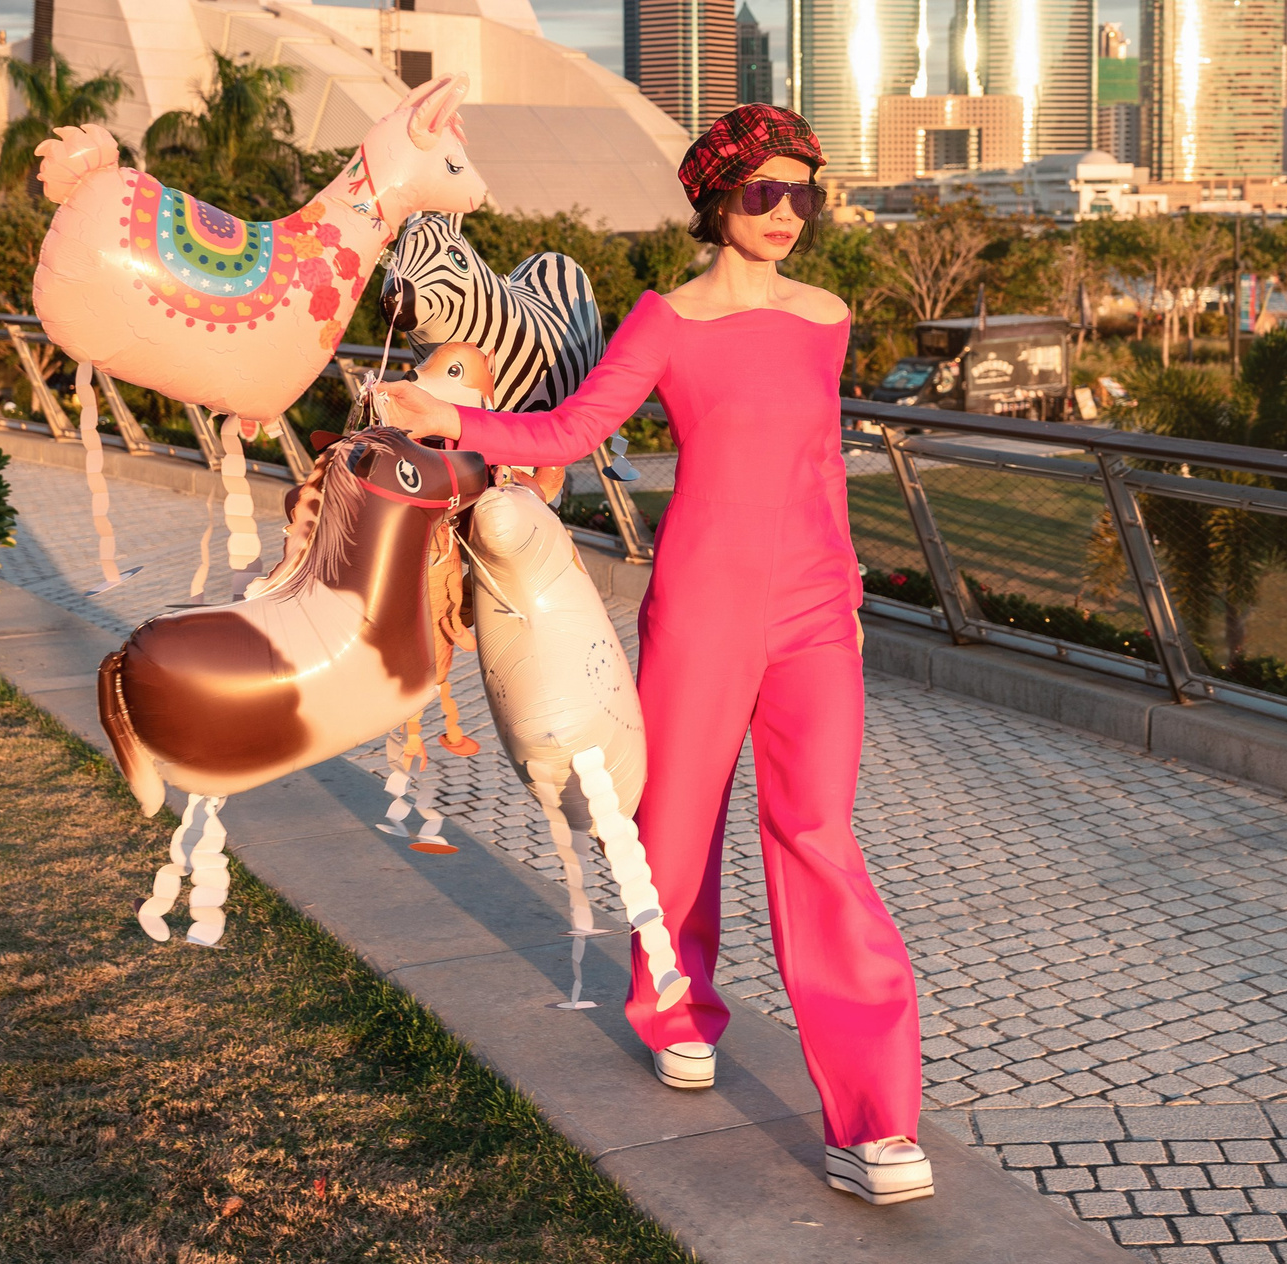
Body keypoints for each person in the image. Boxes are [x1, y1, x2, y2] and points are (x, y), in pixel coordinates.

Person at [380, 104, 931, 1208]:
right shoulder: (663, 321)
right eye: (762, 191)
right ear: (715, 196)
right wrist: (446, 418)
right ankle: (675, 1013)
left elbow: (820, 467)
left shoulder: (826, 316)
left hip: (818, 613)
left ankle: (874, 1120)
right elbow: (568, 433)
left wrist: (854, 594)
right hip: (701, 611)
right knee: (674, 826)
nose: (785, 212)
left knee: (818, 837)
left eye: (802, 192)